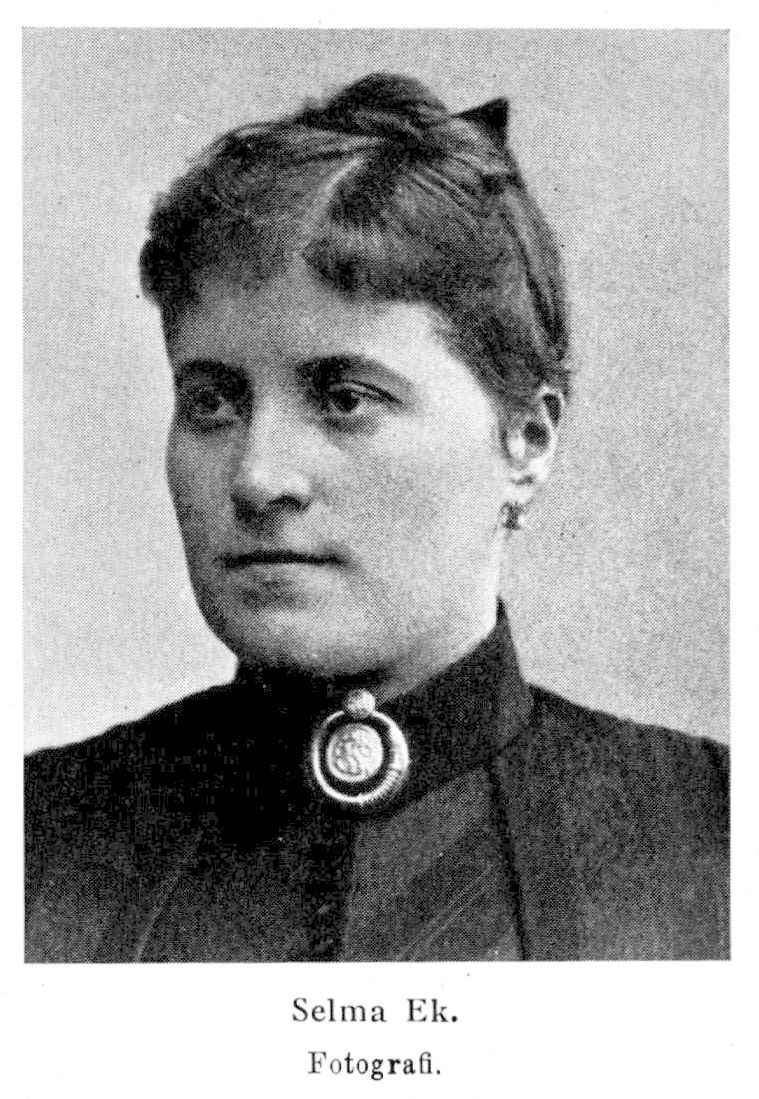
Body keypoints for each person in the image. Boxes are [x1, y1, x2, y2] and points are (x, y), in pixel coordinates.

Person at [25, 73, 728, 962]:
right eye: (212, 402)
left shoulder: (713, 832)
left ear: (526, 439)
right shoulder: (40, 837)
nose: (257, 477)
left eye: (345, 398)